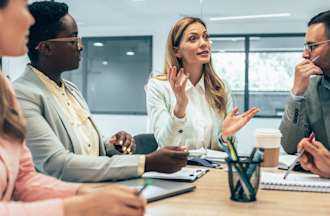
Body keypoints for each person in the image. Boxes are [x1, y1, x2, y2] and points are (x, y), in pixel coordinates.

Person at [14, 1, 187, 183]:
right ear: (46, 48)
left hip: (96, 190)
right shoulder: (22, 96)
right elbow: (57, 164)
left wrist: (114, 145)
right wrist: (146, 163)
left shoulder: (70, 89)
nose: (80, 46)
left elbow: (91, 148)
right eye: (73, 40)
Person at [0, 0, 145, 215]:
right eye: (20, 7)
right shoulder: (21, 92)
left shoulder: (5, 89)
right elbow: (56, 163)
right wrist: (76, 206)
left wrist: (85, 194)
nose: (29, 19)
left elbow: (23, 179)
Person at [146, 16, 259, 150]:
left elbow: (227, 152)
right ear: (177, 51)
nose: (204, 43)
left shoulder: (221, 88)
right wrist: (180, 108)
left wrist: (225, 136)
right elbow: (166, 145)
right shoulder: (158, 87)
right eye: (193, 38)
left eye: (205, 37)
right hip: (174, 170)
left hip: (211, 169)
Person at [280, 10, 330, 155]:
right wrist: (297, 94)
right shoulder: (312, 88)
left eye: (312, 46)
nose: (305, 54)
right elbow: (290, 146)